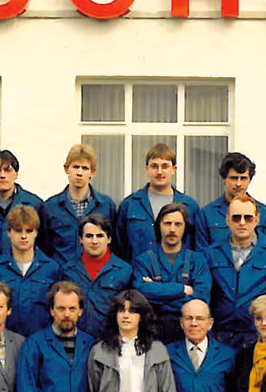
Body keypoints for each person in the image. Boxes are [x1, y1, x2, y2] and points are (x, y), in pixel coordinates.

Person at [206, 194, 266, 350]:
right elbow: (206, 296)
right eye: (236, 218)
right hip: (221, 337)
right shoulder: (212, 253)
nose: (242, 223)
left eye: (248, 218)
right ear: (227, 220)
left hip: (260, 336)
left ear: (257, 219)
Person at [131, 202, 211, 345]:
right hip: (151, 335)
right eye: (167, 223)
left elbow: (201, 298)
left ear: (185, 227)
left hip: (187, 335)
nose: (172, 229)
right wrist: (182, 289)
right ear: (158, 226)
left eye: (178, 224)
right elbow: (140, 295)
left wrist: (157, 293)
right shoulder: (143, 260)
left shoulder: (198, 261)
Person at [114, 142, 208, 262]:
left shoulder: (189, 206)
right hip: (138, 276)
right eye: (154, 166)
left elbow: (196, 248)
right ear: (147, 169)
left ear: (174, 169)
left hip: (179, 278)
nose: (159, 172)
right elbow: (118, 249)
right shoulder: (130, 205)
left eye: (165, 166)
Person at [0, 205, 63, 339]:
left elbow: (57, 309)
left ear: (36, 233)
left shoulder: (51, 269)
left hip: (41, 343)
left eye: (29, 230)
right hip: (3, 341)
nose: (24, 236)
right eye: (18, 230)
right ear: (9, 232)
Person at [40, 143, 117, 264]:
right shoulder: (50, 207)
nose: (79, 173)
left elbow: (114, 246)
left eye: (85, 168)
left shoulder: (106, 206)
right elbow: (44, 247)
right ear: (67, 169)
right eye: (76, 167)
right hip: (62, 278)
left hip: (95, 277)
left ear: (92, 173)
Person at [61, 213, 133, 338]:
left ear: (109, 239)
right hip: (75, 340)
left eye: (100, 236)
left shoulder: (124, 271)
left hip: (110, 341)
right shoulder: (68, 270)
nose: (94, 241)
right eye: (89, 236)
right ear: (80, 239)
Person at [202, 152, 266, 245]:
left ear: (250, 180)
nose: (238, 184)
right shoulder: (206, 215)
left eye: (243, 178)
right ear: (223, 178)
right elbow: (201, 255)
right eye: (234, 178)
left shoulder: (265, 215)